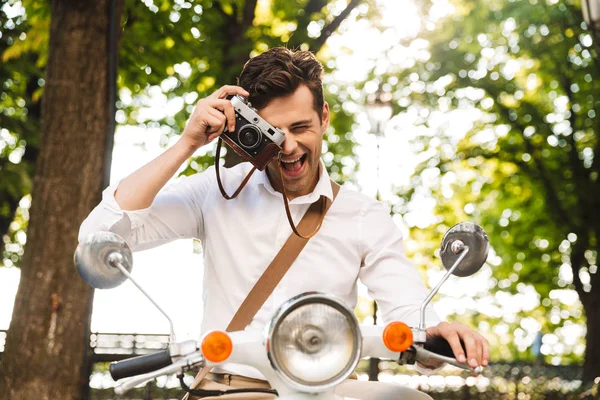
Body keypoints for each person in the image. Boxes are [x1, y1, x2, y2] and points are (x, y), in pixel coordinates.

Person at [79, 47, 489, 399]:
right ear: (247, 128)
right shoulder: (217, 192)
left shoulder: (365, 216)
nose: (289, 146)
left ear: (324, 117)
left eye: (301, 127)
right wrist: (188, 143)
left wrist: (437, 331)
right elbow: (101, 234)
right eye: (274, 132)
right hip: (229, 388)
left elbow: (408, 309)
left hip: (321, 390)